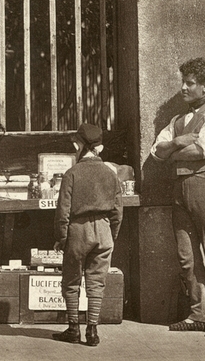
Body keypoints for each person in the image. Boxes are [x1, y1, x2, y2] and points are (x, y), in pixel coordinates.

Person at [150, 57, 205, 336]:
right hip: (180, 189)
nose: (183, 88)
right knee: (187, 257)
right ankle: (197, 313)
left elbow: (203, 150)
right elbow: (155, 151)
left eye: (190, 83)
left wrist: (170, 153)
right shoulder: (176, 121)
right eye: (183, 82)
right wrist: (176, 142)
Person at [52, 123, 123, 346]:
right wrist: (111, 235)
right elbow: (117, 210)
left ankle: (73, 328)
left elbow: (62, 211)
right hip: (104, 231)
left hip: (78, 230)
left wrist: (63, 238)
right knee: (97, 282)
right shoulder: (111, 174)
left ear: (79, 145)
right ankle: (92, 331)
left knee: (71, 280)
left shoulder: (71, 174)